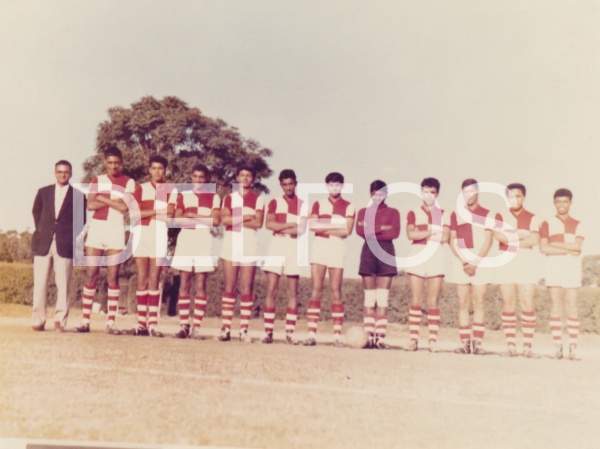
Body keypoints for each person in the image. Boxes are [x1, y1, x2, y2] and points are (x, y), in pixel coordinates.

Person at [75, 148, 135, 334]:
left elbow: (124, 208)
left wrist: (102, 197)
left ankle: (111, 323)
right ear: (105, 162)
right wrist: (110, 200)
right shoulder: (97, 180)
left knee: (113, 276)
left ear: (121, 162)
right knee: (91, 273)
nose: (113, 166)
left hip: (116, 229)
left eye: (116, 162)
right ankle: (85, 322)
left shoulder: (129, 182)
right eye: (110, 162)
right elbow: (90, 205)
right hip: (97, 229)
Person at [125, 155, 177, 337]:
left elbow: (170, 214)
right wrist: (156, 211)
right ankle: (141, 324)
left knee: (155, 279)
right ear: (149, 170)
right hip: (142, 234)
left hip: (160, 234)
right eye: (154, 168)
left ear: (165, 170)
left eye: (160, 168)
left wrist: (147, 213)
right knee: (142, 279)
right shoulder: (141, 189)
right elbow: (133, 214)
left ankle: (153, 324)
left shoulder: (170, 190)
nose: (157, 171)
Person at [304, 172, 355, 347]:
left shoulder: (349, 206)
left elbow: (347, 231)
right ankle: (311, 334)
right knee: (316, 289)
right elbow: (312, 226)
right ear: (327, 186)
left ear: (342, 186)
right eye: (331, 185)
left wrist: (323, 227)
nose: (334, 188)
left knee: (335, 291)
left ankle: (336, 336)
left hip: (337, 247)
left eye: (338, 185)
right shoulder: (318, 204)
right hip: (319, 246)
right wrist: (336, 225)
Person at [31, 160, 82, 331]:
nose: (63, 175)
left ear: (71, 174)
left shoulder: (78, 195)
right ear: (55, 173)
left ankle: (60, 321)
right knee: (40, 283)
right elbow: (36, 212)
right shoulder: (43, 192)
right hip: (43, 242)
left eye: (66, 172)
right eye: (59, 172)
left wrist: (69, 236)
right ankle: (38, 320)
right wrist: (43, 230)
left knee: (64, 284)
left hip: (64, 244)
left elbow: (80, 222)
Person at [171, 164, 220, 339]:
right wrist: (200, 219)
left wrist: (191, 216)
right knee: (184, 284)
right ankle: (184, 325)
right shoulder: (183, 195)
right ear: (191, 177)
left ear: (206, 178)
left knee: (201, 284)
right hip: (186, 240)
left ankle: (196, 326)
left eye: (202, 177)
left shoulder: (214, 197)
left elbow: (214, 221)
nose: (199, 180)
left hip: (203, 240)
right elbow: (177, 220)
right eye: (196, 176)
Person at [217, 165, 265, 343]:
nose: (245, 178)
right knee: (229, 287)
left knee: (246, 288)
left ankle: (243, 330)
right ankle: (226, 328)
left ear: (253, 179)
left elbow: (259, 223)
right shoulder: (229, 198)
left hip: (250, 244)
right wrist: (246, 217)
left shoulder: (258, 199)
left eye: (249, 175)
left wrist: (236, 220)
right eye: (242, 175)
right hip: (231, 242)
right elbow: (224, 220)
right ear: (237, 177)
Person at [493, 183, 541, 358]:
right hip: (506, 259)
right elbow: (498, 236)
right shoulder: (501, 215)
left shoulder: (533, 217)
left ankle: (528, 346)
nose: (515, 199)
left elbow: (534, 239)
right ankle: (511, 346)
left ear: (524, 197)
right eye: (511, 196)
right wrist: (522, 236)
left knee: (527, 302)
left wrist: (511, 237)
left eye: (518, 196)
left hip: (526, 261)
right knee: (508, 302)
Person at [260, 169, 308, 344]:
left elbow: (301, 229)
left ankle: (290, 334)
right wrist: (289, 224)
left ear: (296, 183)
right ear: (281, 185)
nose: (288, 187)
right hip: (276, 244)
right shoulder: (274, 202)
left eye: (291, 183)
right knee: (271, 290)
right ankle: (268, 333)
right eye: (285, 184)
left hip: (294, 245)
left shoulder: (303, 204)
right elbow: (269, 224)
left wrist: (280, 226)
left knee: (292, 292)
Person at [404, 177, 450, 353]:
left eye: (432, 192)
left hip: (436, 254)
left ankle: (432, 340)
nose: (429, 195)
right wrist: (433, 229)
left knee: (433, 300)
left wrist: (422, 232)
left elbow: (445, 237)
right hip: (417, 252)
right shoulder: (413, 212)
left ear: (437, 193)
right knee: (415, 299)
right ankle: (413, 340)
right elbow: (411, 235)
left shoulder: (444, 213)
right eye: (426, 192)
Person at [449, 178, 493, 355]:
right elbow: (452, 240)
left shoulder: (487, 213)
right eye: (465, 192)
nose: (469, 195)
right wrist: (465, 262)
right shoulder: (456, 213)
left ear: (478, 192)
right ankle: (465, 343)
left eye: (472, 191)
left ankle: (478, 343)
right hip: (461, 260)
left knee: (480, 302)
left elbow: (488, 241)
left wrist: (475, 262)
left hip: (480, 261)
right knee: (463, 303)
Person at [539, 188, 584, 361]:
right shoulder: (547, 223)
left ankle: (573, 347)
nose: (562, 205)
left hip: (571, 268)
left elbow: (578, 247)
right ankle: (558, 347)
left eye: (565, 202)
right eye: (559, 202)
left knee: (572, 306)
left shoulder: (578, 223)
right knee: (555, 306)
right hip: (553, 267)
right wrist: (568, 246)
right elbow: (544, 248)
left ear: (570, 203)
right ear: (554, 203)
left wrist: (556, 244)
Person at [356, 180, 400, 349]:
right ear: (370, 194)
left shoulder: (393, 212)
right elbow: (361, 231)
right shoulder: (363, 212)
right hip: (368, 252)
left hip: (386, 251)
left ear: (386, 195)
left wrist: (372, 229)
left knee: (382, 298)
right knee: (369, 297)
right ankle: (369, 337)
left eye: (381, 193)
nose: (378, 197)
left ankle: (380, 338)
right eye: (375, 193)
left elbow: (394, 232)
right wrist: (383, 229)